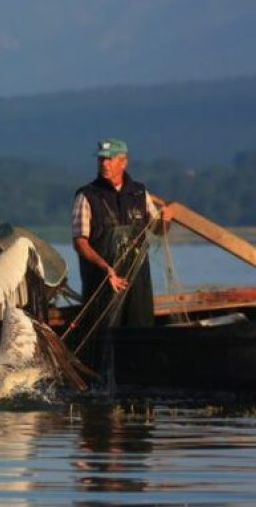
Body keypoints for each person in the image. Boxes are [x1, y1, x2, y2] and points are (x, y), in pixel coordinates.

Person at [70, 138, 172, 370]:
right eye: (101, 159)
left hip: (138, 282)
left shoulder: (139, 193)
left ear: (123, 162)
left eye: (109, 159)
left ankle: (140, 374)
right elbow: (80, 243)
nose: (104, 163)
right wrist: (106, 269)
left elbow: (158, 230)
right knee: (105, 332)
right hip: (102, 280)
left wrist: (166, 221)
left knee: (140, 327)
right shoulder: (87, 196)